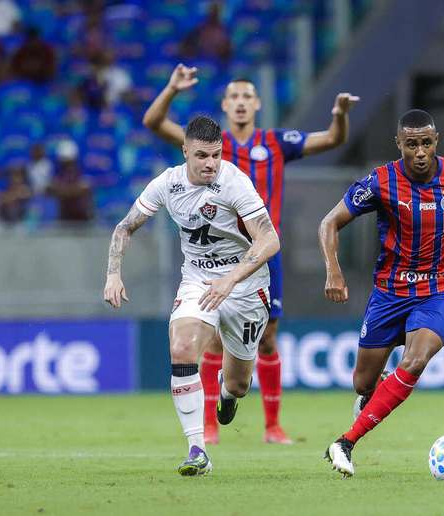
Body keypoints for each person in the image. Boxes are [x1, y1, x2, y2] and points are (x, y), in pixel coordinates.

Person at [143, 63, 359, 445]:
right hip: (215, 255)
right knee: (211, 338)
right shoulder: (210, 146)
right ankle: (209, 423)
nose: (241, 103)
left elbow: (332, 140)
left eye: (247, 96)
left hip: (262, 253)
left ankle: (272, 426)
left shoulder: (275, 142)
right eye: (234, 97)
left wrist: (340, 115)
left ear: (257, 104)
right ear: (225, 105)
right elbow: (154, 121)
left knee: (269, 339)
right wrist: (173, 88)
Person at [318, 109, 444, 477]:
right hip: (390, 292)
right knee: (363, 383)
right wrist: (333, 270)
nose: (419, 152)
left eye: (425, 143)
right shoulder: (381, 182)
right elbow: (330, 222)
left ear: (435, 140)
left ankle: (345, 442)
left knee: (415, 361)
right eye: (411, 145)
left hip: (441, 289)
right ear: (399, 145)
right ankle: (379, 391)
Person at [103, 115, 280, 476]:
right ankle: (197, 449)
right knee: (182, 347)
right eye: (201, 156)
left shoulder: (235, 182)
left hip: (245, 286)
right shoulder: (168, 184)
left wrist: (230, 280)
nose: (210, 164)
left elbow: (270, 240)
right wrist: (112, 274)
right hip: (198, 280)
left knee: (239, 383)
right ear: (185, 151)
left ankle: (228, 396)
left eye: (215, 155)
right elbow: (125, 227)